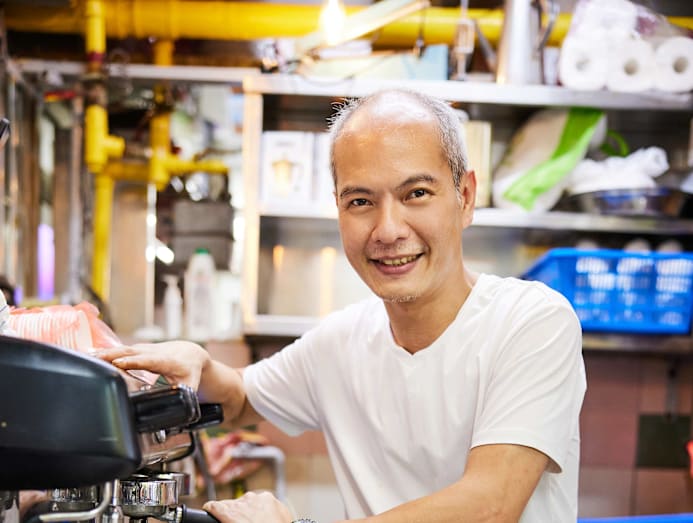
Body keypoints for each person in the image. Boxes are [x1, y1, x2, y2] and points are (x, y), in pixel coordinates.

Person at [98, 89, 586, 523]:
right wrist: (201, 365)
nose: (388, 230)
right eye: (360, 202)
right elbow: (243, 398)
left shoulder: (531, 321)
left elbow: (490, 506)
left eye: (416, 193)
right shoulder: (341, 341)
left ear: (465, 196)